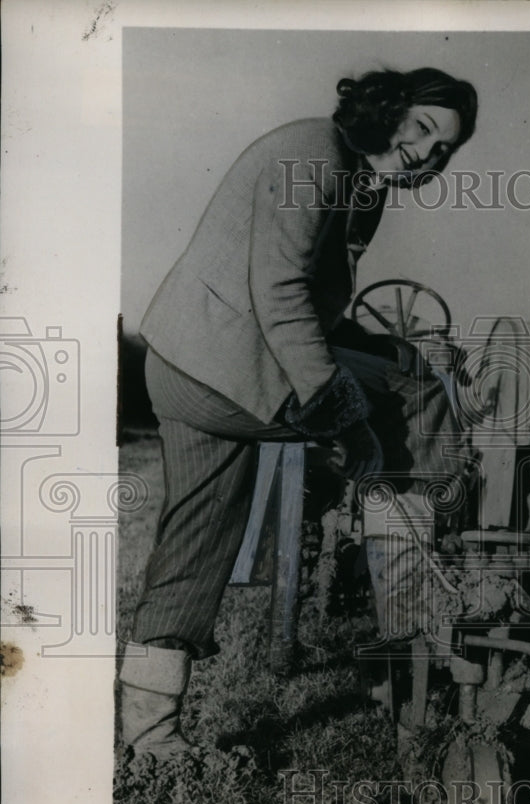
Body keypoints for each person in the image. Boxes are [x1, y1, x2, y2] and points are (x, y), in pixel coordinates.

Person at [119, 68, 479, 760]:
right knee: (421, 392)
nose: (427, 152)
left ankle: (150, 736)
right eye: (422, 128)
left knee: (193, 540)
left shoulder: (354, 175)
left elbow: (308, 307)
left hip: (183, 368)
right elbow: (281, 296)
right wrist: (348, 421)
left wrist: (374, 350)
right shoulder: (313, 158)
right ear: (386, 109)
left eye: (445, 149)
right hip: (235, 370)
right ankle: (415, 615)